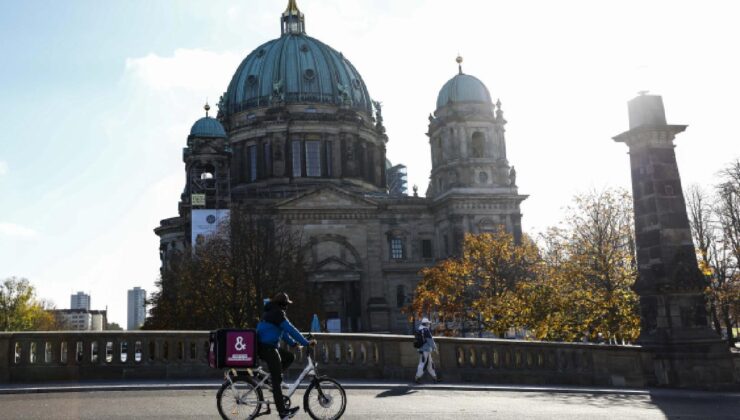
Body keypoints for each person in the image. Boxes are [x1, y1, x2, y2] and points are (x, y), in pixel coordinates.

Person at [257, 292, 315, 419]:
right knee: (277, 383)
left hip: (267, 346)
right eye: (286, 304)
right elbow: (291, 329)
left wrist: (294, 344)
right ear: (282, 304)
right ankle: (282, 412)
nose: (287, 307)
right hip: (267, 348)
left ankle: (274, 378)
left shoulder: (272, 311)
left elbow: (282, 333)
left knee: (289, 357)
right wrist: (306, 343)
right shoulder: (277, 313)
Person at [414, 317, 439, 384]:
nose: (429, 324)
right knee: (422, 364)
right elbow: (430, 340)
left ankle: (435, 378)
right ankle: (417, 377)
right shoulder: (426, 330)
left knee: (429, 364)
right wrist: (435, 348)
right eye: (428, 323)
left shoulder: (419, 329)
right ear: (426, 324)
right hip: (425, 350)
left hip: (422, 349)